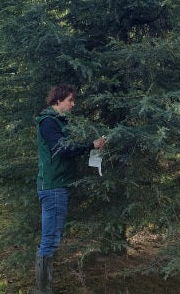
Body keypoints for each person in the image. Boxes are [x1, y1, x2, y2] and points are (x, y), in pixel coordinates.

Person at [34, 84, 107, 294]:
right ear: (58, 101)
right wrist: (91, 145)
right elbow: (62, 149)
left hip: (57, 185)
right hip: (54, 186)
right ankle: (42, 290)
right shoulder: (48, 122)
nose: (73, 104)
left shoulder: (58, 122)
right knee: (50, 239)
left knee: (51, 238)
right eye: (70, 101)